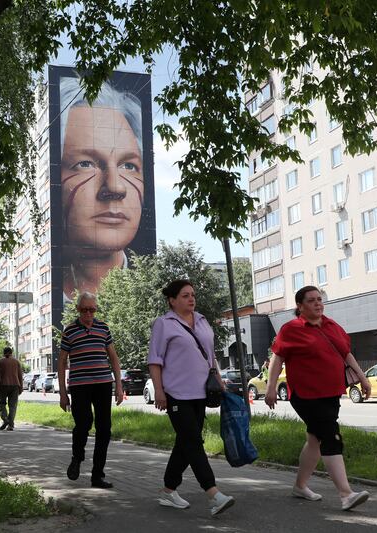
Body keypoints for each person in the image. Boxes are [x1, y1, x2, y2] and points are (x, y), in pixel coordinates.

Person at [265, 286, 373, 511]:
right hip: (305, 395)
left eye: (319, 299)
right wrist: (270, 388)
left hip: (331, 392)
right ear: (300, 306)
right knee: (331, 436)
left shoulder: (332, 326)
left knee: (315, 439)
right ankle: (346, 494)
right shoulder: (291, 329)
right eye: (311, 300)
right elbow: (278, 358)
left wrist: (364, 379)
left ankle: (300, 486)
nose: (318, 303)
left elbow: (346, 354)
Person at [147, 279, 236, 517]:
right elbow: (155, 360)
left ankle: (168, 490)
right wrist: (159, 391)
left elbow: (210, 356)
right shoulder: (164, 324)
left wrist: (219, 380)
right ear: (172, 300)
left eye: (193, 295)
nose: (191, 299)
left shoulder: (202, 320)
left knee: (185, 443)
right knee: (193, 442)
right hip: (176, 394)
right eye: (185, 295)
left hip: (202, 392)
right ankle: (214, 494)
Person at [59, 76, 146, 301]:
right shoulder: (48, 296)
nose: (116, 187)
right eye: (85, 164)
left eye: (128, 166)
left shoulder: (149, 294)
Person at [58, 292, 124, 489]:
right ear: (78, 309)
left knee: (104, 429)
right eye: (84, 309)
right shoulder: (69, 331)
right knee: (83, 424)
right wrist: (63, 394)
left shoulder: (103, 328)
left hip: (103, 384)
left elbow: (114, 358)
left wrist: (119, 386)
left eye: (92, 309)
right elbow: (62, 362)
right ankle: (77, 458)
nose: (88, 313)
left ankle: (97, 476)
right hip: (79, 386)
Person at [0, 346, 23, 431]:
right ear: (11, 353)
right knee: (12, 406)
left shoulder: (1, 361)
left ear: (4, 353)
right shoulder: (16, 362)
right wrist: (21, 387)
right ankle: (10, 425)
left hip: (3, 385)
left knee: (2, 403)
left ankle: (5, 419)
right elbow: (20, 376)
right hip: (15, 386)